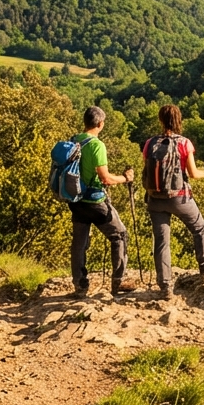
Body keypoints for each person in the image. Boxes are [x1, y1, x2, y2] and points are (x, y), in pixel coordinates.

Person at [142, 104, 204, 298]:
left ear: (160, 120)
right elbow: (193, 173)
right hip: (180, 198)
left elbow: (148, 171)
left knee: (161, 241)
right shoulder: (184, 143)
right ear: (178, 120)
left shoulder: (149, 143)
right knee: (199, 228)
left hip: (155, 199)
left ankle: (165, 286)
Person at [69, 106, 138, 297]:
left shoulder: (74, 140)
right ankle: (118, 282)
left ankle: (80, 286)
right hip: (95, 201)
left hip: (76, 200)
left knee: (79, 243)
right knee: (119, 235)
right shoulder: (97, 145)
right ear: (100, 124)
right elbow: (105, 178)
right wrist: (125, 178)